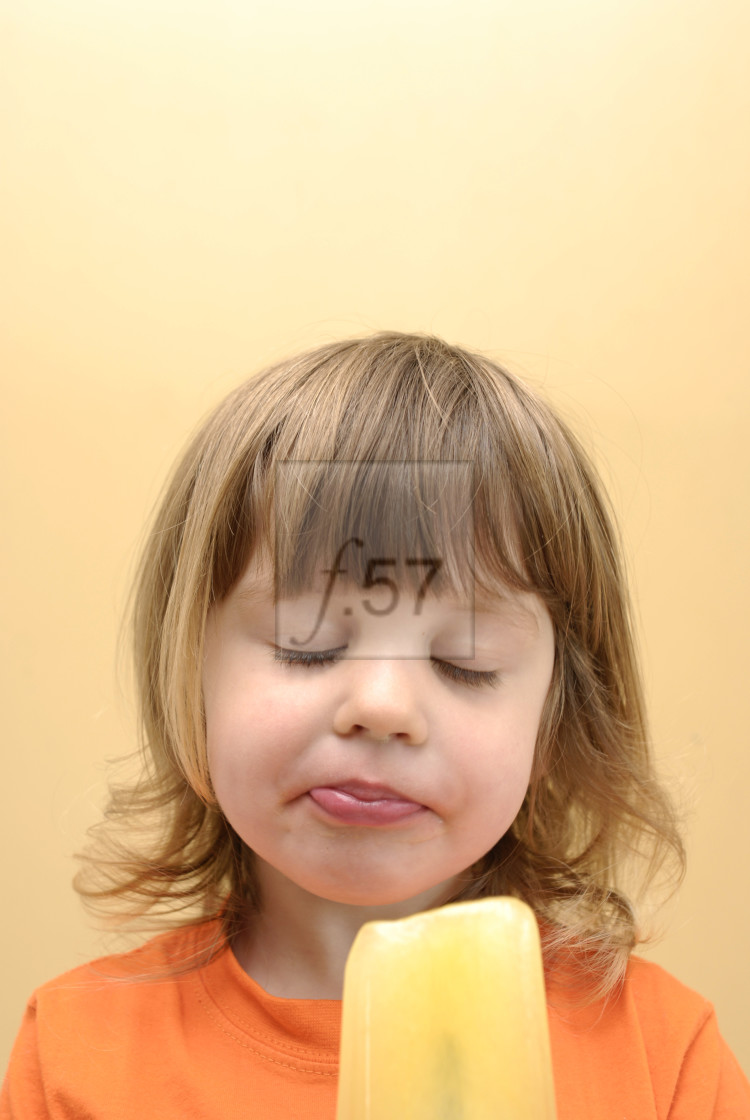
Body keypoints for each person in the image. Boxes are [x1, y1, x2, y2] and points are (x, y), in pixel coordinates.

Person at [2, 332, 748, 1119]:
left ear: (556, 727)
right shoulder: (76, 1057)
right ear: (191, 684)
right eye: (309, 642)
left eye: (468, 662)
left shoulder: (662, 1060)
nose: (384, 705)